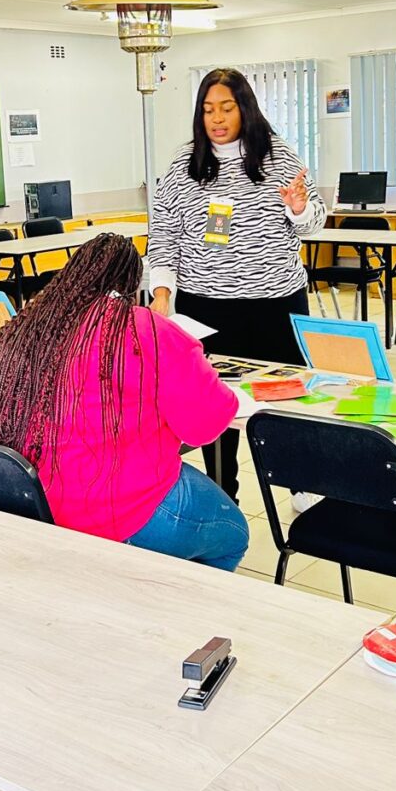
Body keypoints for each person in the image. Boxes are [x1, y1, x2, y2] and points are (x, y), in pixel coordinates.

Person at [0, 232, 250, 570]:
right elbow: (204, 427)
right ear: (132, 283)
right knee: (234, 536)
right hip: (119, 506)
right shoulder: (150, 330)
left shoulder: (30, 325)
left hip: (32, 498)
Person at [148, 67, 327, 500]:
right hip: (207, 306)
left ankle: (299, 483)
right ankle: (223, 489)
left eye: (226, 108)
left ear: (245, 108)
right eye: (208, 109)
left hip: (274, 303)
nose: (217, 118)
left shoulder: (278, 157)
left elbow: (314, 223)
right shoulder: (185, 163)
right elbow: (164, 233)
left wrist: (299, 209)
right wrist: (162, 293)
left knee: (284, 397)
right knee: (214, 402)